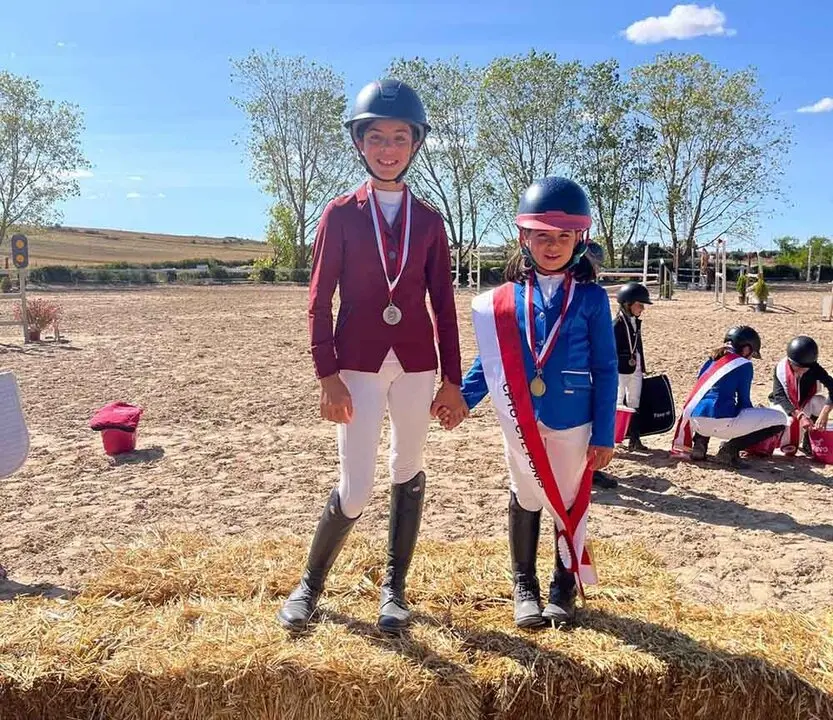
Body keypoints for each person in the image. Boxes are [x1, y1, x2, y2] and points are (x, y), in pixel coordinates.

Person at [278, 78, 467, 634]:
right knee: (356, 485)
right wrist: (326, 375)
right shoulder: (339, 215)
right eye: (377, 137)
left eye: (400, 137)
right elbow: (319, 300)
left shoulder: (430, 222)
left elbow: (444, 306)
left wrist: (451, 379)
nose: (389, 148)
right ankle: (311, 584)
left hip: (415, 365)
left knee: (407, 470)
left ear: (416, 144)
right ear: (360, 143)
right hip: (356, 363)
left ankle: (394, 589)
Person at [442, 176, 618, 628]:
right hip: (519, 415)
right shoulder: (503, 301)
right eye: (543, 236)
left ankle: (563, 586)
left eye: (563, 237)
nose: (553, 245)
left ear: (579, 239)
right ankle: (525, 585)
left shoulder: (594, 300)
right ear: (525, 237)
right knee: (525, 495)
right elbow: (491, 360)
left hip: (573, 418)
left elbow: (606, 368)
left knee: (569, 499)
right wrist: (464, 398)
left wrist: (604, 433)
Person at [672, 326, 785, 467]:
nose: (751, 357)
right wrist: (753, 418)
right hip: (720, 422)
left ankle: (700, 443)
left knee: (710, 400)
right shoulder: (744, 364)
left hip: (695, 421)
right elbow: (744, 402)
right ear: (746, 349)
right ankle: (729, 450)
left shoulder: (711, 360)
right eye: (752, 354)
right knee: (780, 419)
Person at [769, 336, 833, 454]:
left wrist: (824, 413)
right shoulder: (781, 368)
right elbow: (780, 396)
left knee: (820, 402)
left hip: (804, 403)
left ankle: (810, 439)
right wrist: (800, 416)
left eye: (805, 368)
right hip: (784, 405)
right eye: (798, 367)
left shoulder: (813, 367)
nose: (802, 371)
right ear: (790, 361)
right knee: (789, 427)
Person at [613, 282, 652, 452]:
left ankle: (634, 438)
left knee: (635, 401)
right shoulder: (616, 324)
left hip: (635, 366)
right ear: (628, 304)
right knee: (617, 401)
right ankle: (613, 437)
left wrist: (641, 365)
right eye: (640, 304)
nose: (642, 308)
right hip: (619, 368)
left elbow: (638, 345)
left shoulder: (636, 322)